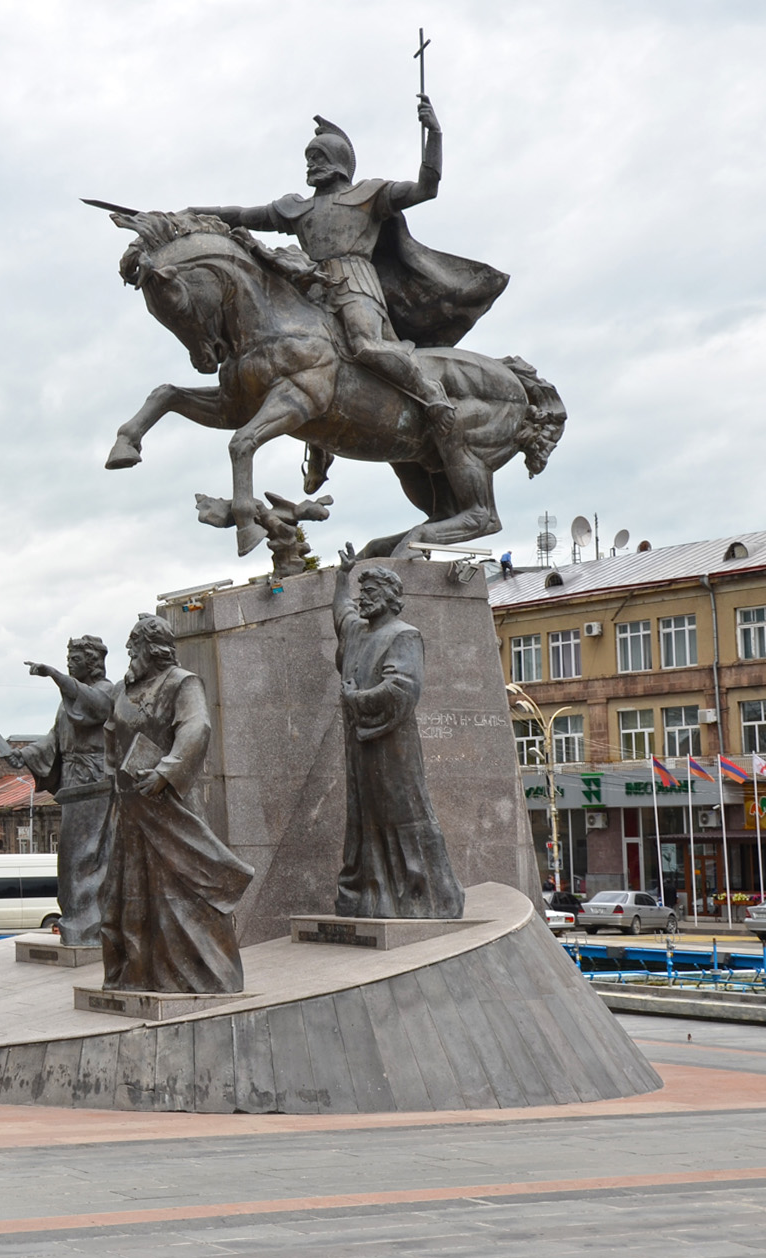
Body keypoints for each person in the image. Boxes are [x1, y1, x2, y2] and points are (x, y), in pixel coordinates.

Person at [189, 97, 503, 489]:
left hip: (356, 285)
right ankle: (319, 449)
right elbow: (240, 214)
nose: (310, 165)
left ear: (337, 161)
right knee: (296, 358)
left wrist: (434, 134)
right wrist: (189, 214)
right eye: (308, 158)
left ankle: (432, 395)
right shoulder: (297, 209)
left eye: (317, 156)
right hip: (308, 288)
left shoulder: (369, 195)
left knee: (364, 345)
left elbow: (427, 188)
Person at [99, 614, 252, 993]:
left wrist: (166, 771)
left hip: (165, 805)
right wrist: (113, 776)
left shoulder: (182, 683)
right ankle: (133, 974)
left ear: (152, 649)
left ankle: (193, 975)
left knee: (178, 895)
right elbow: (109, 738)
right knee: (124, 896)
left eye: (134, 645)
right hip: (129, 809)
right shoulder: (121, 690)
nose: (130, 652)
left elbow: (196, 727)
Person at [331, 547, 465, 918]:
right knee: (364, 819)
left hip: (393, 748)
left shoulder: (404, 635)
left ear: (391, 598)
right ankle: (371, 897)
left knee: (404, 815)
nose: (363, 600)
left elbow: (402, 688)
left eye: (371, 593)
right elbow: (341, 611)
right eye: (362, 593)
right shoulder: (357, 630)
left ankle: (430, 897)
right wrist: (342, 576)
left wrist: (357, 700)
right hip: (360, 746)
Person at [7, 636, 116, 947]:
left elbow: (95, 709)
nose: (70, 662)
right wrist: (25, 754)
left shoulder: (106, 691)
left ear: (93, 660)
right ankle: (75, 917)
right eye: (68, 658)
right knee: (69, 856)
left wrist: (55, 676)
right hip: (73, 782)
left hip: (94, 781)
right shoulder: (67, 701)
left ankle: (90, 923)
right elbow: (54, 739)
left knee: (88, 854)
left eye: (76, 658)